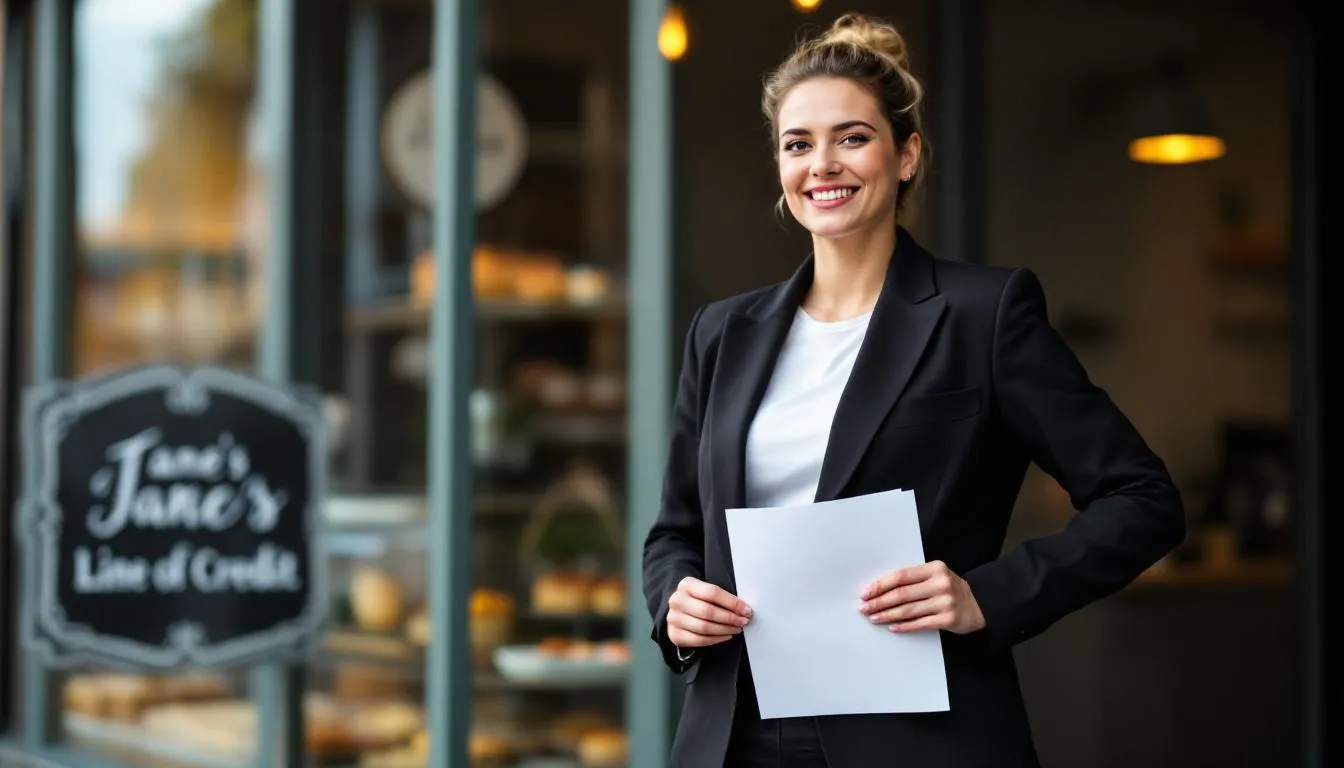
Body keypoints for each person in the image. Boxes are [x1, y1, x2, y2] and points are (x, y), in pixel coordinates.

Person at [641, 11, 1185, 768]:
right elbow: (674, 532)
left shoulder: (982, 315)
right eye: (798, 144)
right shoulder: (723, 332)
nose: (822, 164)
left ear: (906, 155)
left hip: (920, 737)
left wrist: (988, 595)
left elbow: (1143, 499)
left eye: (852, 138)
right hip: (735, 733)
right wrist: (675, 600)